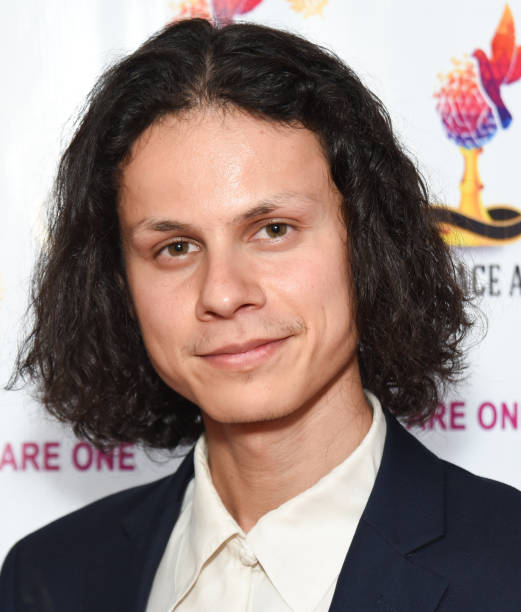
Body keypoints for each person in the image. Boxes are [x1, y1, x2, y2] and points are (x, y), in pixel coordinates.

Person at [1, 17, 521, 612]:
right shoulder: (46, 581)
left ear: (369, 241)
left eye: (273, 230)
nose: (223, 293)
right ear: (119, 285)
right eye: (176, 247)